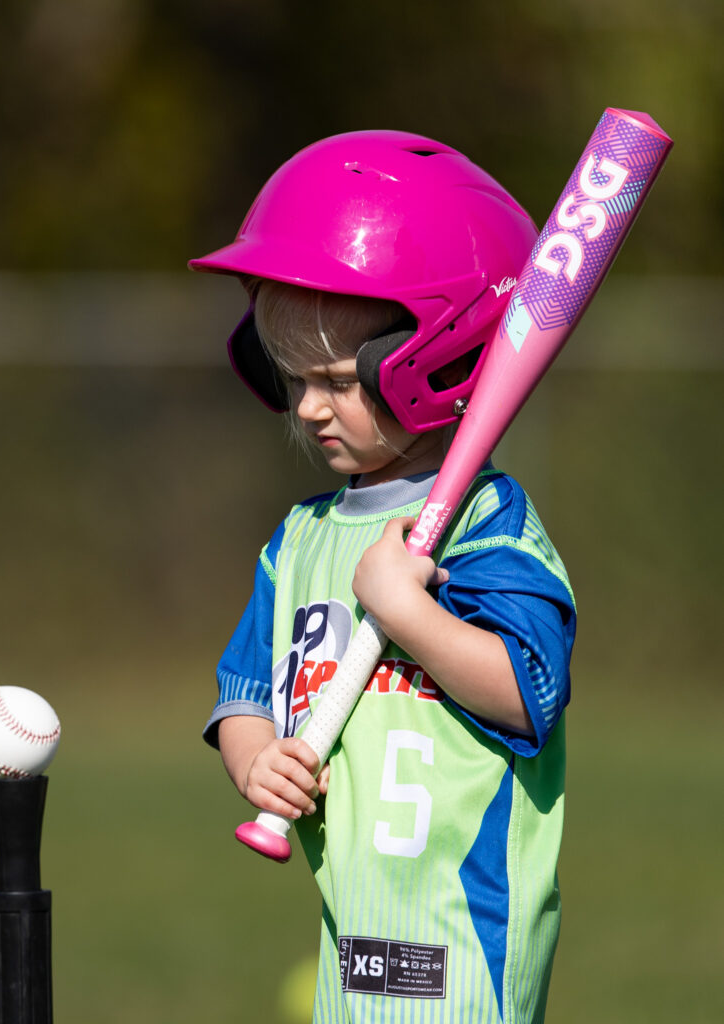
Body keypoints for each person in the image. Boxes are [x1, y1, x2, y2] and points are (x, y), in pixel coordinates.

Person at [190, 130, 576, 1023]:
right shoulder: (298, 541)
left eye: (333, 380)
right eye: (293, 380)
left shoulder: (489, 525)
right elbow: (246, 690)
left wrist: (409, 613)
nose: (309, 408)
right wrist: (259, 766)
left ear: (434, 359)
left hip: (466, 934)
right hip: (348, 928)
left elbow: (529, 691)